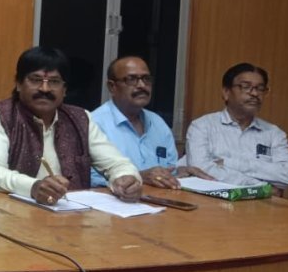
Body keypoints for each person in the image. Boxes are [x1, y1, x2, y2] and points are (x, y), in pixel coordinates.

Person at [0, 46, 142, 205]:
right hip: (14, 215)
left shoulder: (80, 118)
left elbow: (117, 163)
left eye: (54, 81)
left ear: (64, 89)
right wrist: (33, 187)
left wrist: (126, 178)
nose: (45, 88)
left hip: (72, 216)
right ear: (19, 84)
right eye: (35, 80)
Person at [90, 56, 211, 189]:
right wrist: (139, 177)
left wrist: (180, 172)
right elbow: (87, 178)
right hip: (115, 200)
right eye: (131, 79)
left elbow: (168, 169)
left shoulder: (158, 123)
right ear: (112, 87)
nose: (142, 85)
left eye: (146, 79)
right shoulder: (93, 124)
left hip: (161, 198)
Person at [185, 62, 288, 189]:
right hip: (213, 200)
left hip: (262, 202)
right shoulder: (202, 126)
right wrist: (260, 187)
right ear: (226, 92)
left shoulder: (274, 133)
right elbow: (200, 171)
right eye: (245, 86)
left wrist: (229, 163)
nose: (254, 93)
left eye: (260, 88)